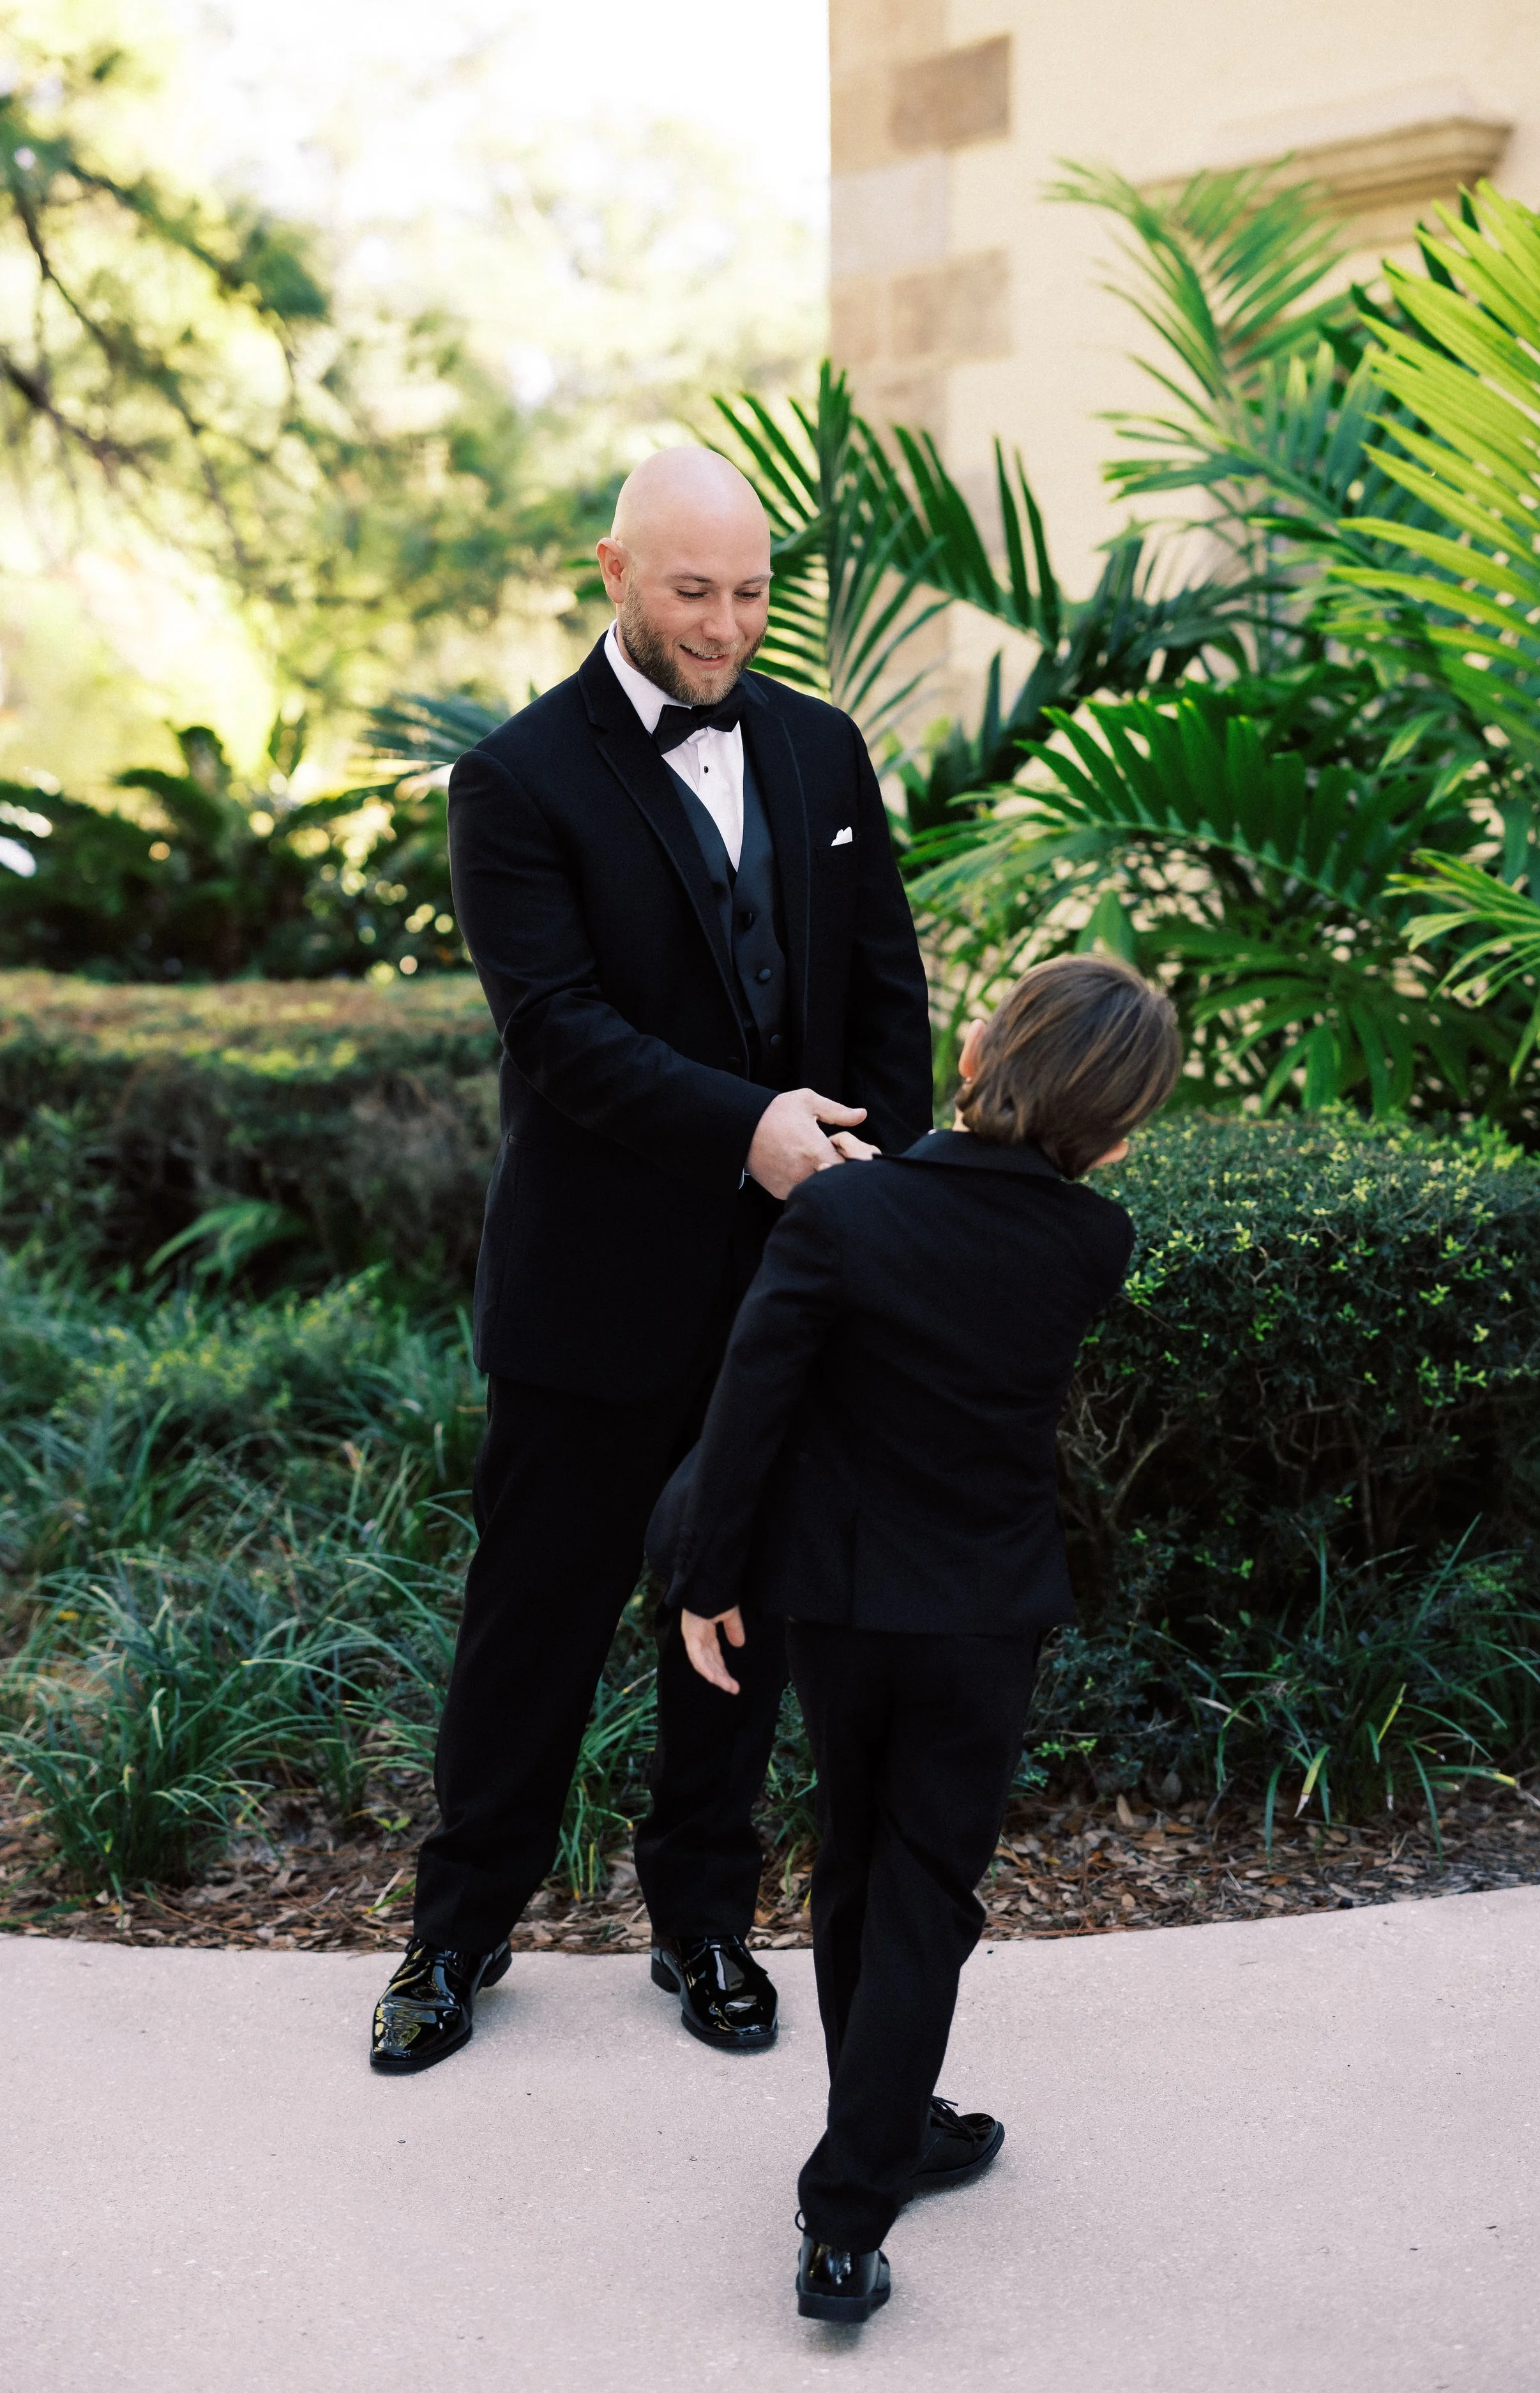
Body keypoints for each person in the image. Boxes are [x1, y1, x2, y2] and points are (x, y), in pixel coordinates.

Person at [368, 446, 932, 2075]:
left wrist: (862, 1191)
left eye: (751, 593)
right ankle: (455, 1928)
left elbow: (885, 992)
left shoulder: (821, 750)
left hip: (791, 1286)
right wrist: (749, 1127)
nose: (726, 628)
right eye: (694, 593)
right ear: (611, 569)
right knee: (529, 1622)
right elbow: (558, 1036)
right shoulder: (516, 781)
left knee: (737, 1618)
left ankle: (702, 1917)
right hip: (589, 1301)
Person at [660, 955, 1181, 2321]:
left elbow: (751, 1402)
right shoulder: (1093, 1241)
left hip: (837, 1604)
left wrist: (708, 1575)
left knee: (854, 1860)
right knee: (927, 1887)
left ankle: (877, 2129)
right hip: (982, 1611)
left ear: (969, 1050)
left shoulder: (840, 1213)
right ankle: (854, 2195)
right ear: (1118, 1134)